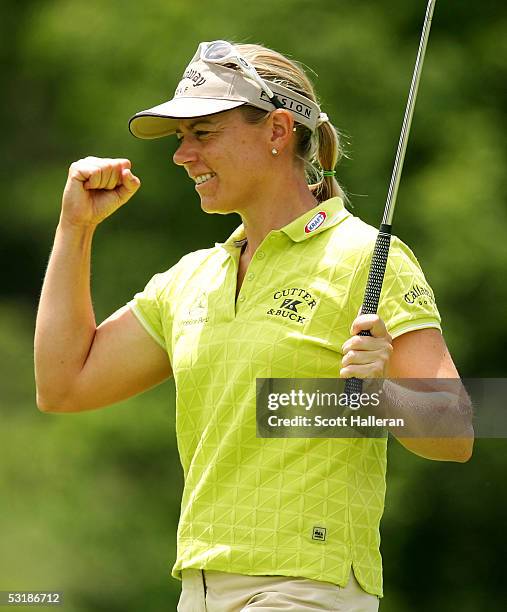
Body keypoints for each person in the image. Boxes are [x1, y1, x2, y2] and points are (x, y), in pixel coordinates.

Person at [35, 40, 473, 611]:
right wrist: (75, 228)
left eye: (204, 134)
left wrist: (379, 395)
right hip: (200, 588)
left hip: (307, 586)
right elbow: (64, 384)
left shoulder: (366, 256)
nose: (182, 155)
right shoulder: (190, 279)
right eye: (180, 138)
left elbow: (458, 428)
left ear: (276, 131)